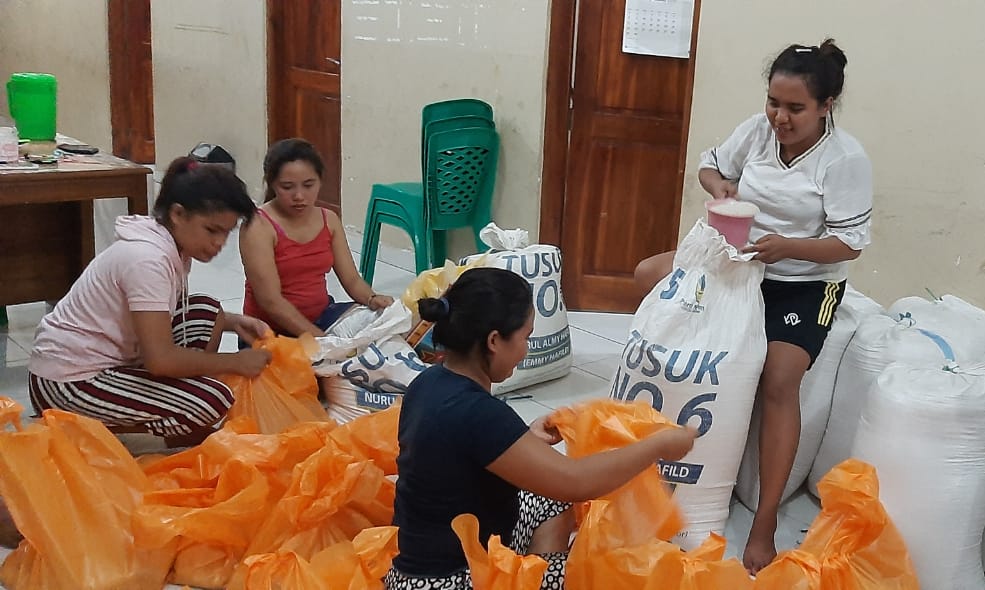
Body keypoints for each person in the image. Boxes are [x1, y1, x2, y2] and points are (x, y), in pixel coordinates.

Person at [633, 39, 871, 573]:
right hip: (741, 260)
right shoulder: (758, 130)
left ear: (826, 106)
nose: (780, 118)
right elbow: (710, 168)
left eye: (795, 108)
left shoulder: (844, 160)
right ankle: (644, 451)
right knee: (648, 277)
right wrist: (724, 194)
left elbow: (849, 244)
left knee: (780, 378)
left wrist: (787, 246)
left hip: (804, 280)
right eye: (773, 103)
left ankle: (763, 523)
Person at [386, 268, 697, 590]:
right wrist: (657, 446)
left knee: (550, 504)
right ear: (494, 340)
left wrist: (525, 440)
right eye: (525, 337)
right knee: (606, 575)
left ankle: (531, 576)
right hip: (449, 580)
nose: (527, 349)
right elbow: (575, 482)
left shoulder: (428, 382)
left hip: (413, 567)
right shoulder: (479, 413)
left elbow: (459, 449)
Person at [26, 156, 272, 449]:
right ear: (178, 214)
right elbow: (161, 360)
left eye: (226, 234)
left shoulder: (169, 244)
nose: (219, 244)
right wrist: (235, 363)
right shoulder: (147, 260)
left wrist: (233, 322)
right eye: (212, 230)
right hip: (66, 383)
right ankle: (120, 432)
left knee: (208, 311)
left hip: (112, 359)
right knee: (211, 399)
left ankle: (170, 415)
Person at [240, 138, 394, 338]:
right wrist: (319, 340)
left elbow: (352, 280)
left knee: (388, 326)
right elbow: (271, 302)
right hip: (271, 331)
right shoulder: (258, 226)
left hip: (322, 318)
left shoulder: (328, 220)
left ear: (320, 181)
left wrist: (372, 299)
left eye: (308, 185)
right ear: (272, 185)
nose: (299, 196)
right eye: (287, 187)